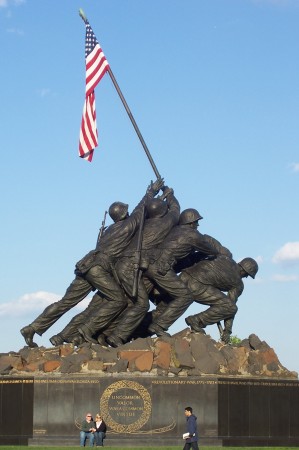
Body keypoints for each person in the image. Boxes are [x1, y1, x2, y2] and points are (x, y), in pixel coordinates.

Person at [20, 178, 163, 348]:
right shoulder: (126, 227)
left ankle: (32, 328)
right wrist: (151, 192)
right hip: (99, 268)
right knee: (118, 300)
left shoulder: (109, 230)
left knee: (65, 302)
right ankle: (86, 331)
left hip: (86, 265)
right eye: (127, 210)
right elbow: (140, 211)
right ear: (124, 213)